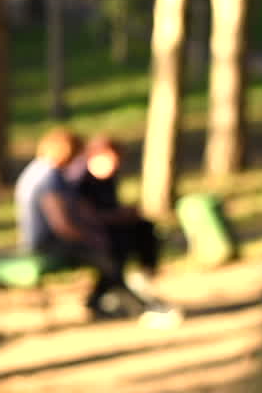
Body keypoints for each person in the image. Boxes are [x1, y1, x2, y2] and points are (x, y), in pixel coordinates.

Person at [16, 129, 178, 326]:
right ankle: (135, 304)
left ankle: (110, 298)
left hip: (46, 240)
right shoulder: (49, 178)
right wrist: (89, 237)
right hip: (49, 243)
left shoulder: (39, 171)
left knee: (117, 243)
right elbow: (62, 224)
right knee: (109, 251)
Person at [64, 135, 180, 318]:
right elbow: (87, 216)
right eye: (112, 159)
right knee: (115, 249)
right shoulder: (79, 180)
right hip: (88, 235)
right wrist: (119, 215)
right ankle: (120, 298)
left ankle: (144, 274)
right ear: (96, 155)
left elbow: (109, 208)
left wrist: (125, 214)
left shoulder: (107, 178)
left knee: (144, 228)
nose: (115, 165)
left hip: (107, 229)